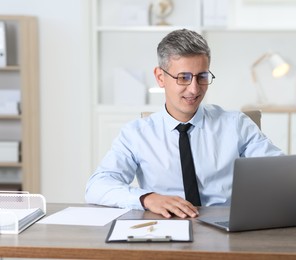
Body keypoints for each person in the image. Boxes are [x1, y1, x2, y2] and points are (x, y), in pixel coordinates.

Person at [85, 28, 283, 219]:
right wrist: (147, 198)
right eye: (183, 78)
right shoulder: (136, 134)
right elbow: (97, 186)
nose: (194, 89)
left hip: (225, 229)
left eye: (202, 77)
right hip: (164, 227)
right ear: (160, 77)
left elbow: (281, 172)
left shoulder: (236, 124)